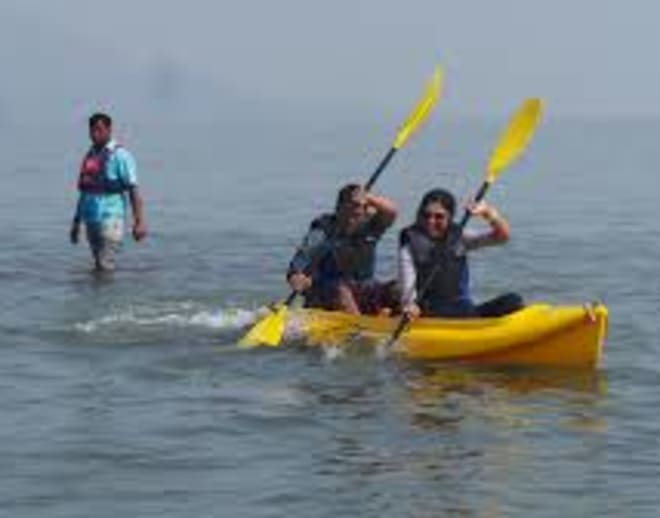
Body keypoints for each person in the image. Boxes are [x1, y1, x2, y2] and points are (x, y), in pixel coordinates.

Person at [398, 188, 523, 319]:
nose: (431, 221)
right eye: (426, 215)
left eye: (439, 216)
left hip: (463, 309)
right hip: (429, 310)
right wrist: (409, 304)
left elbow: (502, 237)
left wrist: (488, 213)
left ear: (450, 217)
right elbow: (407, 276)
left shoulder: (459, 236)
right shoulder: (410, 240)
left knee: (513, 301)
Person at [287, 183, 398, 314]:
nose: (358, 211)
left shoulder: (371, 227)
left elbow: (392, 211)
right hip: (327, 291)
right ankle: (358, 328)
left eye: (363, 207)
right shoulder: (324, 229)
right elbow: (305, 253)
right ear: (339, 207)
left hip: (363, 288)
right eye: (353, 205)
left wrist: (368, 196)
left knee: (399, 288)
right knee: (341, 290)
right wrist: (296, 274)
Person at [70, 112, 147, 272]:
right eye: (92, 130)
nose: (95, 134)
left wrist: (139, 221)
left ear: (109, 130)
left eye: (99, 130)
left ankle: (108, 296)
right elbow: (84, 191)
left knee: (105, 265)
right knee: (98, 266)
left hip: (112, 218)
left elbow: (133, 189)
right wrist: (76, 223)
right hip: (92, 219)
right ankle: (100, 296)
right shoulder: (90, 156)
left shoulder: (121, 156)